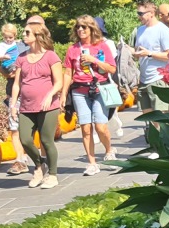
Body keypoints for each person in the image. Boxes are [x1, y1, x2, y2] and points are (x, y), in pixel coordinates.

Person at [11, 23, 63, 188]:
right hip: (26, 107)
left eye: (27, 33)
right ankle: (40, 165)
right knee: (25, 139)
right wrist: (13, 105)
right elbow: (17, 84)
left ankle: (52, 175)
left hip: (48, 107)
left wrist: (49, 95)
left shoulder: (50, 56)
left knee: (46, 141)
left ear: (37, 36)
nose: (23, 35)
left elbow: (59, 82)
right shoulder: (21, 58)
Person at [64, 15, 116, 175]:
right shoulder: (73, 49)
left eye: (84, 27)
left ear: (91, 29)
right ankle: (92, 163)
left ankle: (109, 151)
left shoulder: (102, 46)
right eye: (78, 27)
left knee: (100, 126)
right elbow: (68, 73)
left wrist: (94, 60)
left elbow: (112, 69)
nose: (80, 30)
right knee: (86, 129)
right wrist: (63, 95)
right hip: (79, 91)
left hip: (99, 89)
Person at [0, 22, 31, 174]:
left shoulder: (25, 47)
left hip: (29, 92)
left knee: (28, 128)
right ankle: (19, 159)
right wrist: (8, 72)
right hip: (13, 91)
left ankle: (32, 155)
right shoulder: (4, 46)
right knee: (14, 127)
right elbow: (2, 68)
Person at [132, 0, 169, 113]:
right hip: (143, 80)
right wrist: (129, 51)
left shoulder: (163, 30)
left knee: (160, 118)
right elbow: (139, 52)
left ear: (151, 13)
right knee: (148, 117)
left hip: (158, 80)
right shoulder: (140, 30)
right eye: (138, 13)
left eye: (141, 13)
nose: (138, 16)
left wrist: (150, 54)